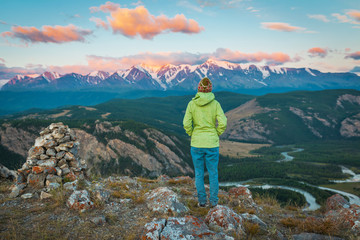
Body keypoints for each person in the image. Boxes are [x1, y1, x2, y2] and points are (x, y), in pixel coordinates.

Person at [183, 77, 227, 208]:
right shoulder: (216, 104)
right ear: (210, 89)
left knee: (198, 173)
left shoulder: (191, 104)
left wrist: (192, 133)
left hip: (196, 143)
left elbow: (186, 123)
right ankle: (214, 202)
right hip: (212, 143)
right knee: (213, 173)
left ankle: (202, 202)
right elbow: (223, 123)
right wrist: (216, 133)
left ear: (199, 88)